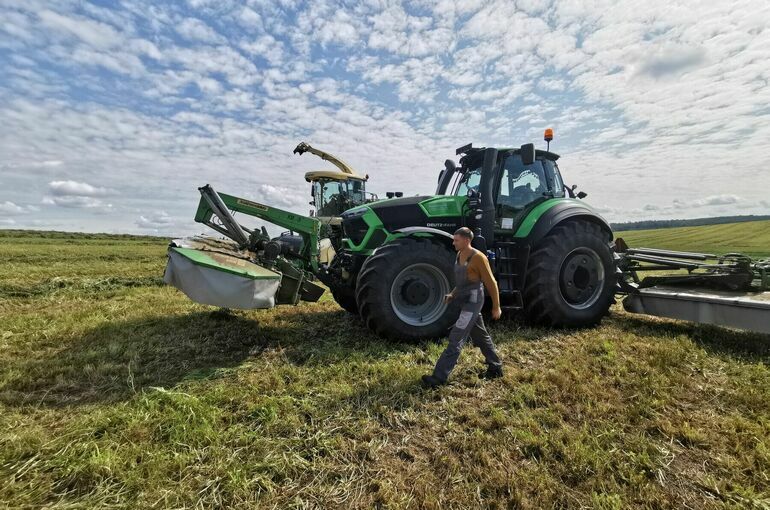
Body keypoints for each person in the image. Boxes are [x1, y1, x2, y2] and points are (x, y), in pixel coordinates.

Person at [422, 227, 503, 388]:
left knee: (456, 336)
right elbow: (462, 281)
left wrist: (496, 307)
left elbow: (491, 283)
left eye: (456, 240)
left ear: (467, 240)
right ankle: (496, 366)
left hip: (473, 301)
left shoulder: (479, 258)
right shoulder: (459, 255)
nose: (453, 243)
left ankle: (438, 378)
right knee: (480, 334)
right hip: (463, 299)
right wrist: (452, 294)